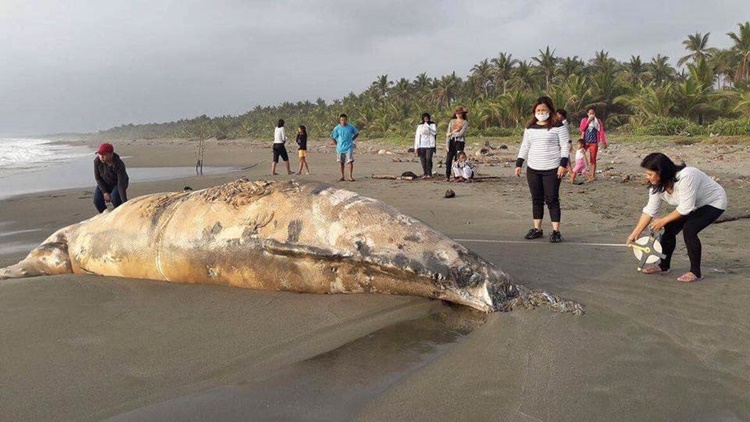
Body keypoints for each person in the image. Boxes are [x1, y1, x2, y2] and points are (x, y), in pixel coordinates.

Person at [626, 153, 727, 283]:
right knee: (669, 228)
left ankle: (695, 272)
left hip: (714, 202)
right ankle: (663, 266)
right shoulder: (657, 185)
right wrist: (635, 234)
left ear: (662, 172)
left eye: (650, 174)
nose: (647, 177)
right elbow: (650, 211)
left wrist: (662, 220)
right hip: (693, 204)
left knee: (690, 229)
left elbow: (685, 208)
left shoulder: (687, 176)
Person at [515, 97, 570, 243]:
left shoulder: (558, 126)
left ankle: (556, 231)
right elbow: (525, 145)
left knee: (552, 199)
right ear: (534, 111)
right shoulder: (530, 127)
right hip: (533, 168)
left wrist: (563, 165)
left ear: (550, 110)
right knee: (536, 199)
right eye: (538, 110)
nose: (541, 112)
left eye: (544, 110)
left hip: (552, 168)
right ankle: (537, 229)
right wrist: (519, 163)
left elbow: (565, 146)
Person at [93, 142, 129, 213]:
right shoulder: (97, 161)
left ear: (111, 154)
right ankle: (105, 214)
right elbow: (98, 178)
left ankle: (119, 212)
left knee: (115, 198)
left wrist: (125, 203)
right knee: (97, 201)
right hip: (105, 182)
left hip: (118, 183)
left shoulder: (119, 164)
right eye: (100, 154)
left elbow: (121, 185)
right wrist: (104, 192)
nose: (101, 156)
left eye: (104, 154)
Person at [578, 107, 608, 179]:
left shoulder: (598, 121)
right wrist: (588, 121)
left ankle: (592, 175)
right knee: (580, 156)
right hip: (585, 142)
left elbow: (601, 131)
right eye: (590, 113)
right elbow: (582, 129)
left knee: (593, 159)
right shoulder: (584, 120)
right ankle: (582, 171)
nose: (592, 115)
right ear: (587, 114)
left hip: (594, 142)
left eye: (593, 113)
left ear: (595, 114)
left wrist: (604, 142)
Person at [330, 113, 359, 181]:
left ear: (347, 120)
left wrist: (352, 139)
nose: (343, 121)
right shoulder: (337, 128)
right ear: (340, 120)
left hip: (349, 147)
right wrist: (336, 144)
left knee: (350, 161)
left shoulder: (351, 127)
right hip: (340, 148)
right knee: (341, 163)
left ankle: (350, 176)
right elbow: (332, 136)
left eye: (344, 120)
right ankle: (342, 176)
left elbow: (357, 133)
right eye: (342, 120)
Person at [445, 106, 468, 181]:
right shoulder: (452, 121)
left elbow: (461, 133)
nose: (458, 114)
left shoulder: (465, 122)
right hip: (451, 141)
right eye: (457, 113)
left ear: (462, 114)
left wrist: (452, 133)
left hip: (460, 142)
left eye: (459, 113)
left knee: (457, 159)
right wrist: (447, 144)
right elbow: (447, 134)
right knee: (448, 160)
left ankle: (457, 176)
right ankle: (447, 176)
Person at [414, 112, 437, 179]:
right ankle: (425, 173)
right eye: (424, 118)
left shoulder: (432, 125)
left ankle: (429, 173)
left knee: (428, 159)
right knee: (423, 160)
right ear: (423, 118)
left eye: (427, 117)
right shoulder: (420, 126)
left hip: (430, 145)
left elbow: (434, 132)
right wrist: (416, 148)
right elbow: (417, 137)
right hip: (421, 146)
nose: (426, 119)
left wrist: (428, 127)